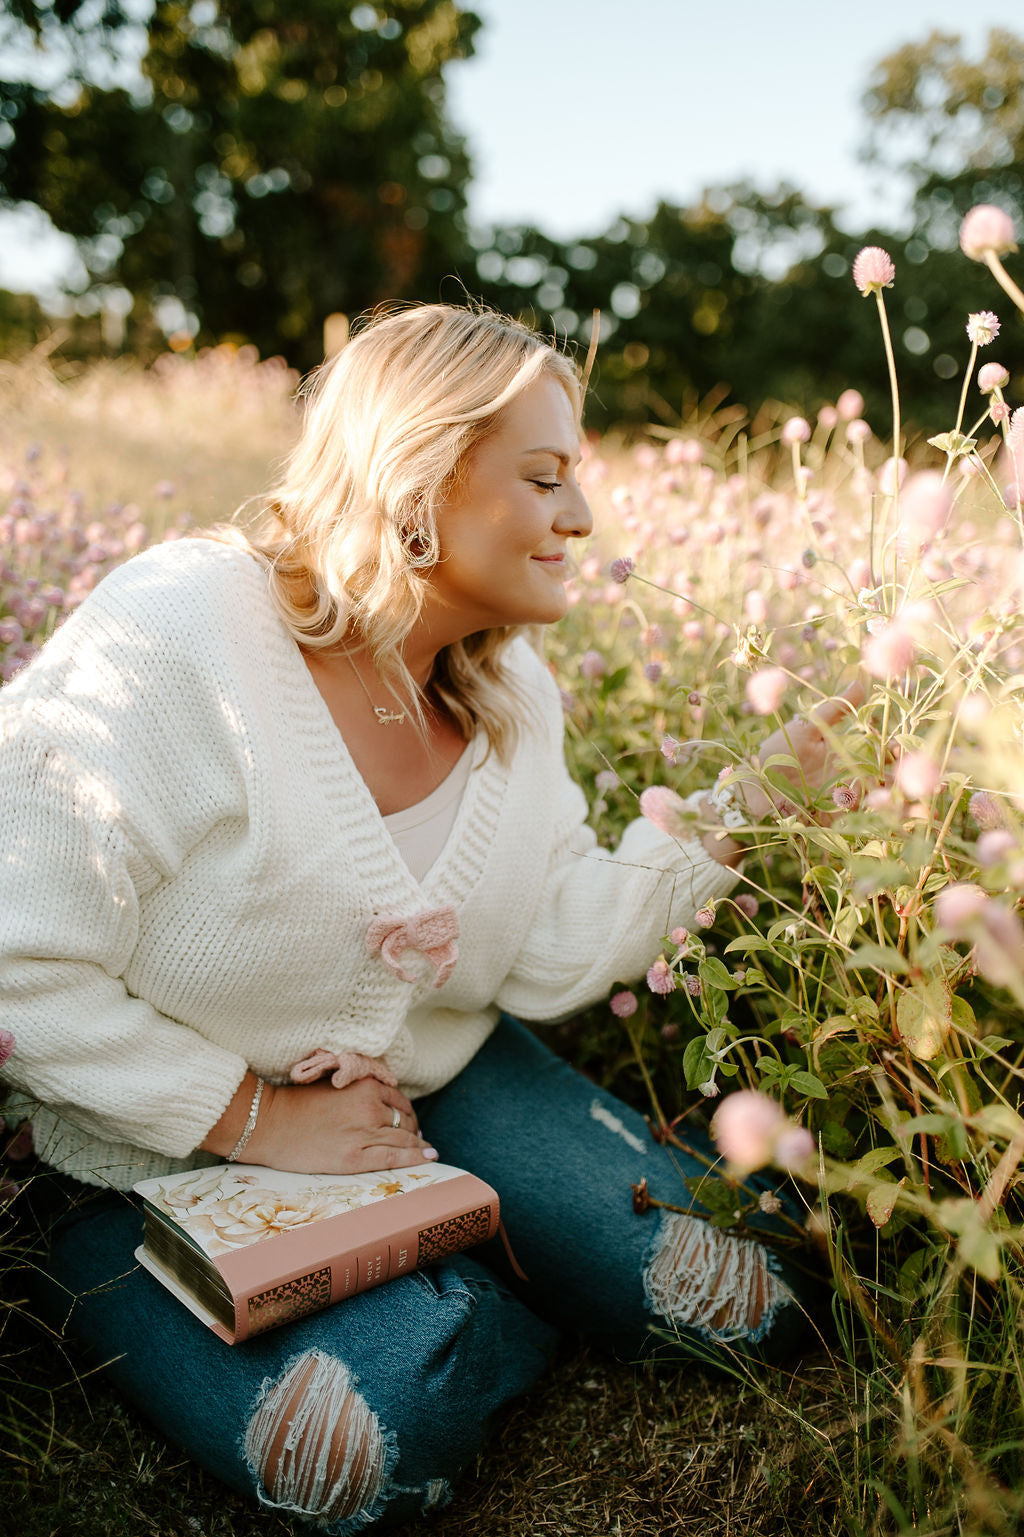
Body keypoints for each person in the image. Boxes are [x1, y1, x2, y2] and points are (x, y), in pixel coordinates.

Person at [0, 304, 849, 1533]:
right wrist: (258, 1117)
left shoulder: (511, 691)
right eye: (544, 477)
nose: (582, 518)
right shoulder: (184, 630)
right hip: (135, 1152)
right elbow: (15, 955)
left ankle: (461, 1247)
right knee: (364, 1447)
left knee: (752, 1290)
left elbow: (553, 939)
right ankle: (471, 1279)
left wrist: (741, 815)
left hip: (429, 1079)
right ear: (418, 475)